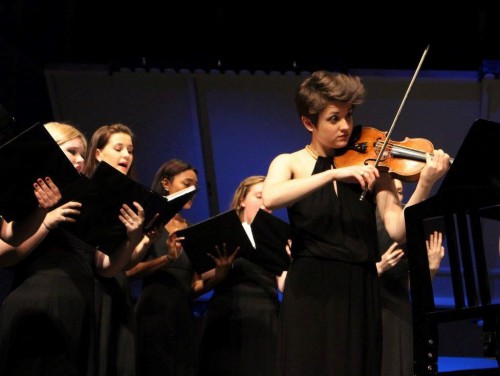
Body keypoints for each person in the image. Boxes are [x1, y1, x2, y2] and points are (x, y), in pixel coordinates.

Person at [261, 70, 451, 376]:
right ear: (309, 122)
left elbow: (397, 228)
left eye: (349, 115)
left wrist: (425, 185)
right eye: (334, 118)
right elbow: (270, 198)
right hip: (310, 288)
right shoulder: (289, 162)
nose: (346, 126)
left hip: (359, 286)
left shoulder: (374, 166)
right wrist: (333, 174)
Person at [0, 121, 144, 375]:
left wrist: (133, 238)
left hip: (81, 309)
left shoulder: (87, 198)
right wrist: (46, 221)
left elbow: (106, 267)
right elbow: (6, 254)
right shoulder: (25, 195)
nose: (80, 160)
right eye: (71, 152)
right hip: (39, 303)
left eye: (81, 153)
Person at [126, 158, 235, 376]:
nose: (193, 190)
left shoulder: (192, 230)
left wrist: (219, 276)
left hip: (183, 315)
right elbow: (129, 271)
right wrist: (166, 258)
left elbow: (193, 286)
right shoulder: (150, 223)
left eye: (195, 186)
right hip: (152, 313)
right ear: (166, 184)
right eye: (187, 184)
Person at [197, 175, 289, 376]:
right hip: (227, 315)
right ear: (241, 200)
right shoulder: (223, 231)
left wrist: (294, 261)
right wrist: (223, 266)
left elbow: (283, 285)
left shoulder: (278, 236)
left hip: (265, 315)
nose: (265, 203)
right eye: (259, 196)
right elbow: (201, 275)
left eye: (268, 198)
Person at [83, 123, 149, 376]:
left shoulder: (131, 197)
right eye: (118, 148)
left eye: (130, 150)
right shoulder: (87, 190)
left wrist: (140, 238)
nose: (126, 156)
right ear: (98, 153)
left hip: (116, 285)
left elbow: (124, 260)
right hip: (91, 288)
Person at [376, 178, 445, 376]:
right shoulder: (367, 221)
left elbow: (408, 286)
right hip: (368, 303)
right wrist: (379, 267)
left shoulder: (406, 227)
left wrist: (430, 268)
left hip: (397, 308)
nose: (398, 197)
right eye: (392, 191)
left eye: (400, 192)